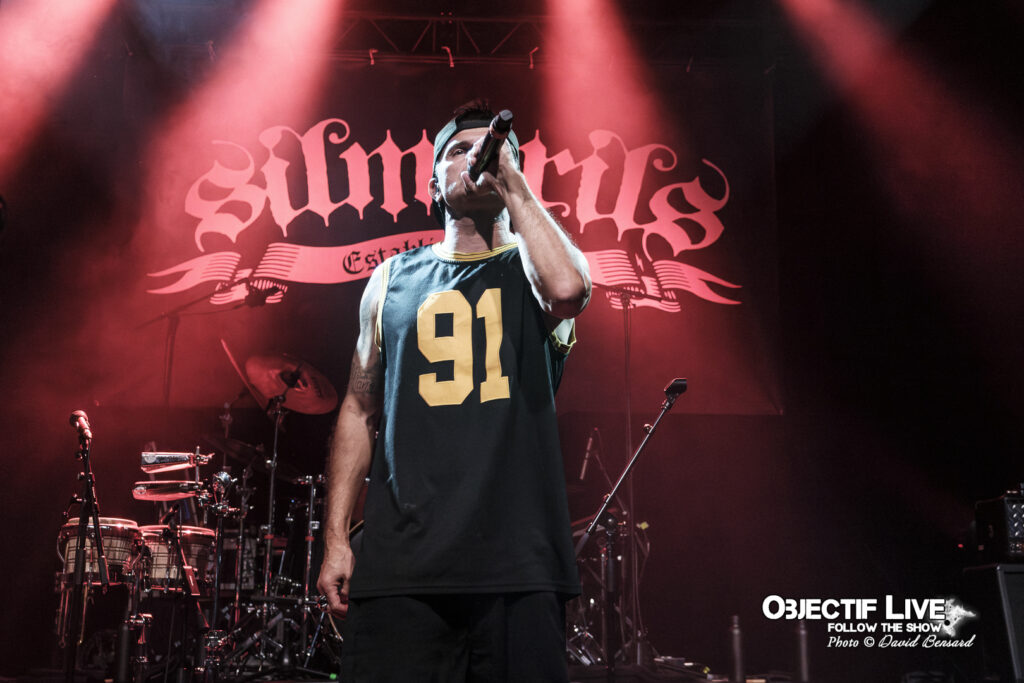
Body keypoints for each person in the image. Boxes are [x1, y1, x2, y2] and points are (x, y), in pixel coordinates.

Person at [317, 101, 591, 682]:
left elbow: (568, 291)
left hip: (517, 566)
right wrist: (337, 539)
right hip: (403, 568)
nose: (478, 157)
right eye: (459, 150)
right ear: (433, 184)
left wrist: (511, 179)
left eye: (491, 150)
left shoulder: (538, 271)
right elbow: (359, 410)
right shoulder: (391, 279)